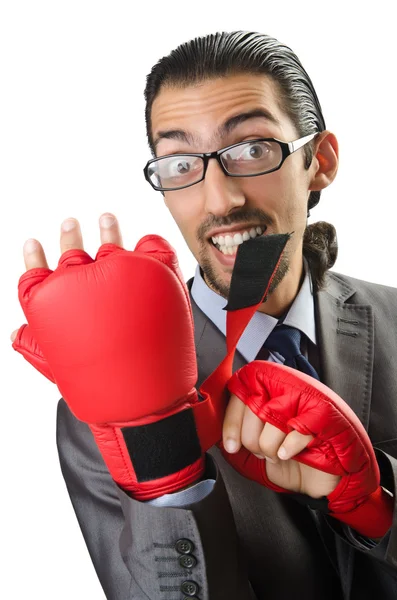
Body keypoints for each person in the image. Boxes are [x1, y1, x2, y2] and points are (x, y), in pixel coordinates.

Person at [11, 31, 397, 599]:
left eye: (252, 149)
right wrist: (161, 457)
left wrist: (376, 503)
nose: (219, 201)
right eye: (180, 162)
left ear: (319, 162)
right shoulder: (99, 411)